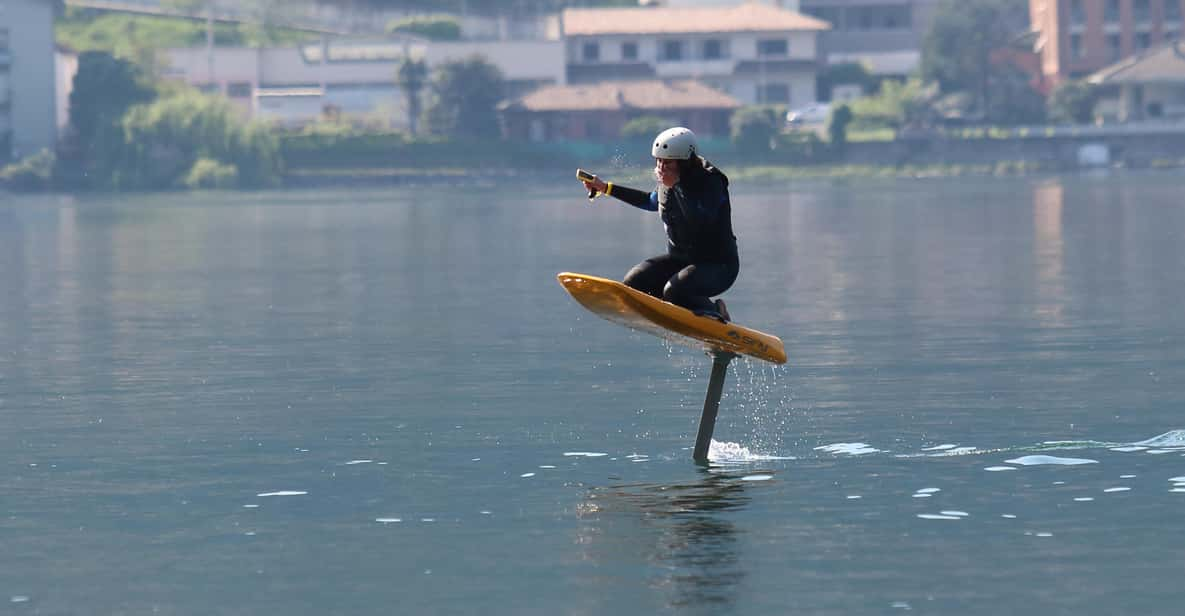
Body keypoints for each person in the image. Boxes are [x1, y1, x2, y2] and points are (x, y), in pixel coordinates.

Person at [580, 127, 738, 323]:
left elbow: (700, 221)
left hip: (717, 266)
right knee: (634, 283)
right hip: (682, 260)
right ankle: (678, 308)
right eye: (659, 161)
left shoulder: (710, 182)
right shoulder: (670, 181)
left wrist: (677, 186)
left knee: (675, 291)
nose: (661, 167)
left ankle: (715, 312)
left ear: (684, 162)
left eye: (667, 162)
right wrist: (605, 188)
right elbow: (650, 201)